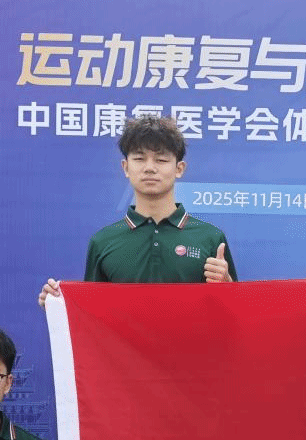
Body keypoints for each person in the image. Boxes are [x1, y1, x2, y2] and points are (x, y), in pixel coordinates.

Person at [39, 115, 235, 307]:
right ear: (126, 167)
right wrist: (58, 304)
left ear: (179, 168)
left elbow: (233, 313)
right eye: (140, 158)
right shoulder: (103, 242)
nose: (149, 168)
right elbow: (91, 313)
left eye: (161, 160)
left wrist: (227, 284)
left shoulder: (211, 238)